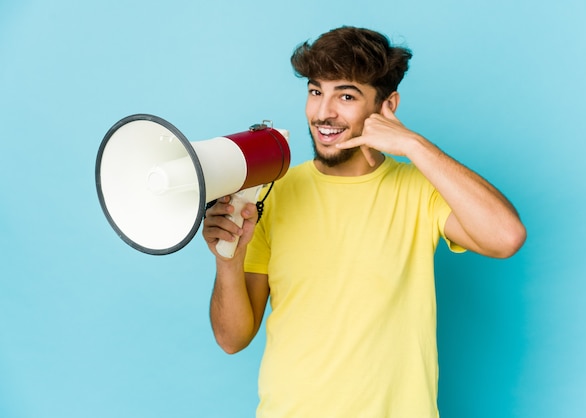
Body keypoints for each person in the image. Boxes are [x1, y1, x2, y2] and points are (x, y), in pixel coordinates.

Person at [202, 26, 526, 417]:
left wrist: (412, 144)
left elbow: (506, 237)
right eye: (316, 90)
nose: (324, 112)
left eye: (347, 95)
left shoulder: (420, 190)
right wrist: (228, 260)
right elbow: (232, 338)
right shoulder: (275, 191)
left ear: (387, 106)